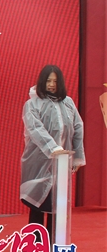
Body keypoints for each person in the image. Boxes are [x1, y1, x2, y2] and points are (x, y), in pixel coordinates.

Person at [21, 65, 85, 239]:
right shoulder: (32, 104)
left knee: (56, 207)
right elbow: (36, 129)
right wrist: (53, 148)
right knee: (38, 205)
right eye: (48, 80)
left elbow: (78, 127)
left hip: (61, 164)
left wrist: (77, 158)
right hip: (38, 163)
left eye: (55, 81)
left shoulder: (68, 102)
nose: (51, 84)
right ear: (42, 81)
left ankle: (53, 247)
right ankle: (36, 247)